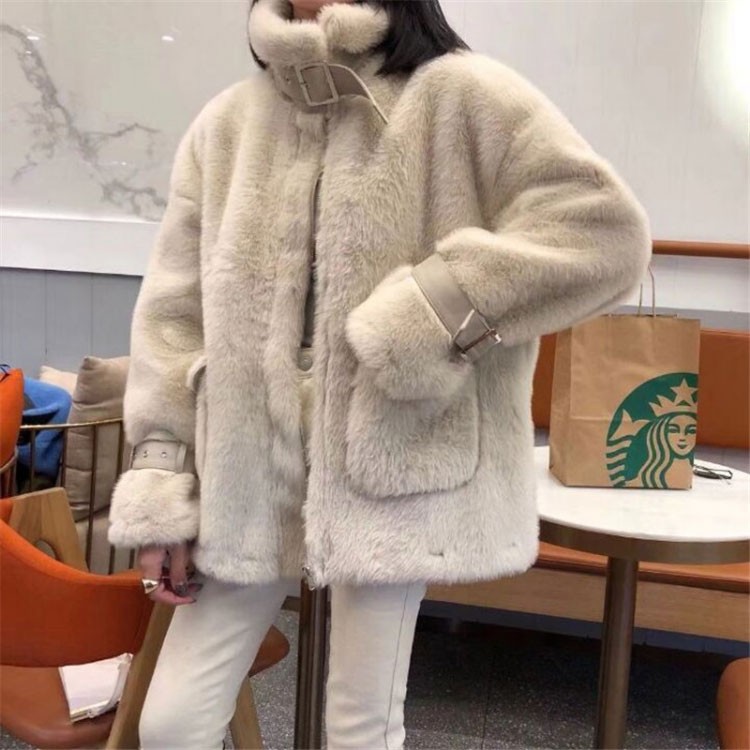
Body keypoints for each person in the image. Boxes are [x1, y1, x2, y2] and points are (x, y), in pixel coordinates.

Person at [107, 0, 652, 747]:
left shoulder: (460, 94)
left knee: (360, 727)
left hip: (392, 463)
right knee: (170, 724)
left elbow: (603, 229)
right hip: (246, 474)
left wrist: (432, 314)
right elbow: (173, 320)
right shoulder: (229, 124)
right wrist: (163, 483)